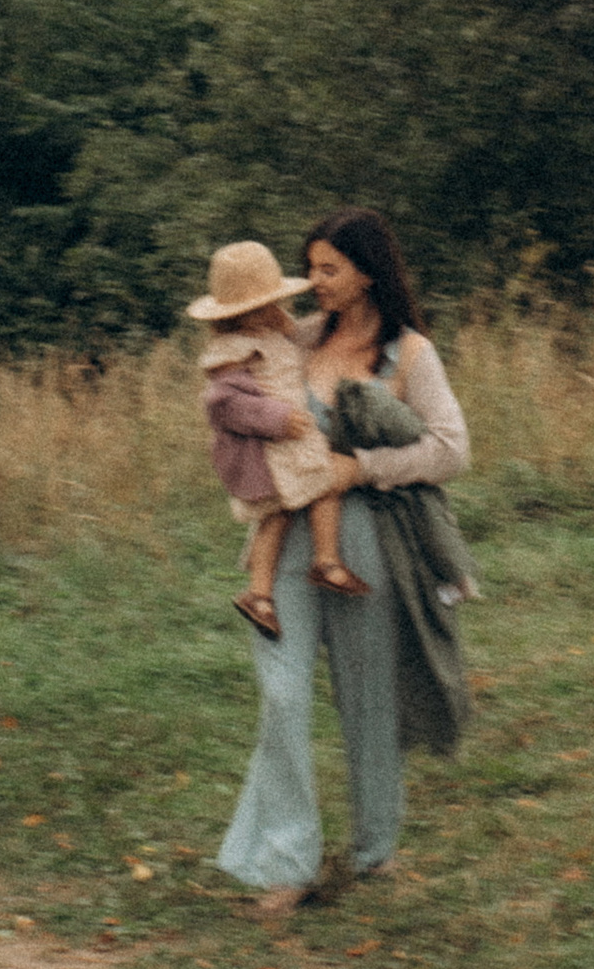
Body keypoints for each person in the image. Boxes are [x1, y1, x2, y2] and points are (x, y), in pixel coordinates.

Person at [214, 207, 472, 912]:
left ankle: (375, 850)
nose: (315, 282)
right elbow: (237, 405)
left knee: (369, 696)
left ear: (367, 272)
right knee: (281, 694)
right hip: (284, 539)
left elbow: (452, 450)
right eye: (310, 268)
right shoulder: (293, 340)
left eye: (329, 269)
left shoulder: (410, 354)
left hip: (367, 539)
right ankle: (286, 866)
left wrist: (361, 469)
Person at [188, 240, 369, 638]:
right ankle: (279, 584)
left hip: (294, 440)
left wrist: (339, 318)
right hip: (274, 445)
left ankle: (310, 568)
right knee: (290, 504)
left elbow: (301, 340)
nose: (270, 313)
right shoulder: (232, 349)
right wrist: (277, 419)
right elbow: (223, 403)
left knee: (307, 496)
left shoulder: (273, 330)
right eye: (257, 309)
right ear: (234, 317)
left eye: (272, 304)